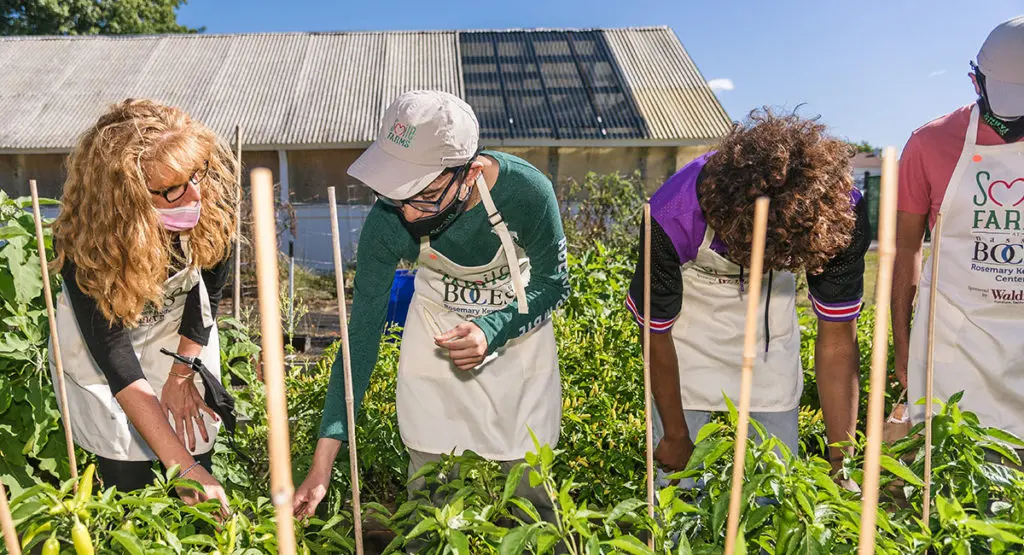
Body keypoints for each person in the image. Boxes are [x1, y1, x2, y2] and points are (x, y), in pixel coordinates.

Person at [293, 90, 570, 522]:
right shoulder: (388, 221)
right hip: (435, 351)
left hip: (518, 345)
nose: (404, 211)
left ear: (470, 171)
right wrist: (322, 461)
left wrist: (490, 329)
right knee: (429, 504)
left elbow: (554, 283)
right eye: (395, 191)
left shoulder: (528, 193)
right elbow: (361, 335)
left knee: (529, 499)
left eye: (421, 194)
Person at [626, 109, 870, 487]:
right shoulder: (670, 213)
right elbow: (656, 332)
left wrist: (842, 461)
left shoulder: (838, 213)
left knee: (777, 493)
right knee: (675, 499)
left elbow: (838, 338)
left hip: (769, 346)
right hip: (687, 343)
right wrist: (675, 435)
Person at [50, 99, 236, 510]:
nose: (195, 193)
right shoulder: (86, 243)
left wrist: (183, 372)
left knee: (193, 446)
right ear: (125, 197)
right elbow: (116, 358)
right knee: (127, 474)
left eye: (195, 175)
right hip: (105, 360)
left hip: (178, 336)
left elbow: (208, 297)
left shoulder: (212, 208)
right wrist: (181, 468)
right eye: (172, 188)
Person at [893, 16, 1024, 451]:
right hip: (955, 345)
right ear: (975, 81)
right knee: (951, 476)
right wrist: (902, 343)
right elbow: (906, 248)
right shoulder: (930, 143)